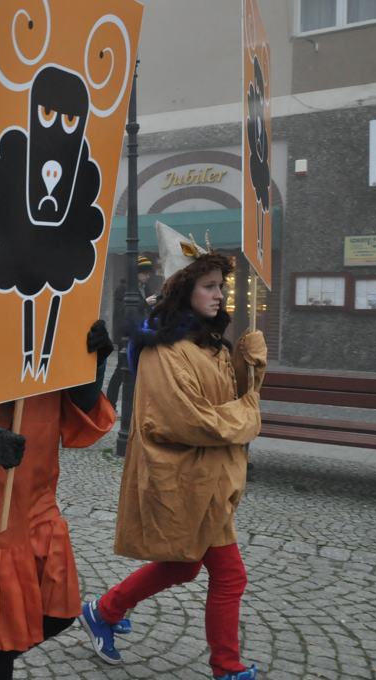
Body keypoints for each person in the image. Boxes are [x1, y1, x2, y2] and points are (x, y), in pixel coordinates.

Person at [79, 242, 266, 680]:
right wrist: (249, 417)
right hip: (187, 478)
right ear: (185, 291)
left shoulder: (211, 344)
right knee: (230, 575)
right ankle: (227, 668)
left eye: (222, 286)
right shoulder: (164, 351)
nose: (220, 294)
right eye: (209, 286)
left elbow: (234, 395)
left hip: (213, 480)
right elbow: (189, 419)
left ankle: (104, 611)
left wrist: (249, 361)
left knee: (184, 566)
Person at [0, 321, 117, 680]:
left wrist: (90, 366)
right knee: (1, 629)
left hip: (39, 495)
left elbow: (76, 410)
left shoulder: (53, 325)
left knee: (61, 611)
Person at [106, 255, 157, 408]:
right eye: (145, 273)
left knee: (136, 370)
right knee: (120, 373)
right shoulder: (123, 289)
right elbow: (124, 312)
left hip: (141, 333)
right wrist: (145, 303)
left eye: (149, 273)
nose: (148, 276)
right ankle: (110, 404)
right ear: (137, 273)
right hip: (127, 336)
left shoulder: (145, 288)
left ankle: (135, 406)